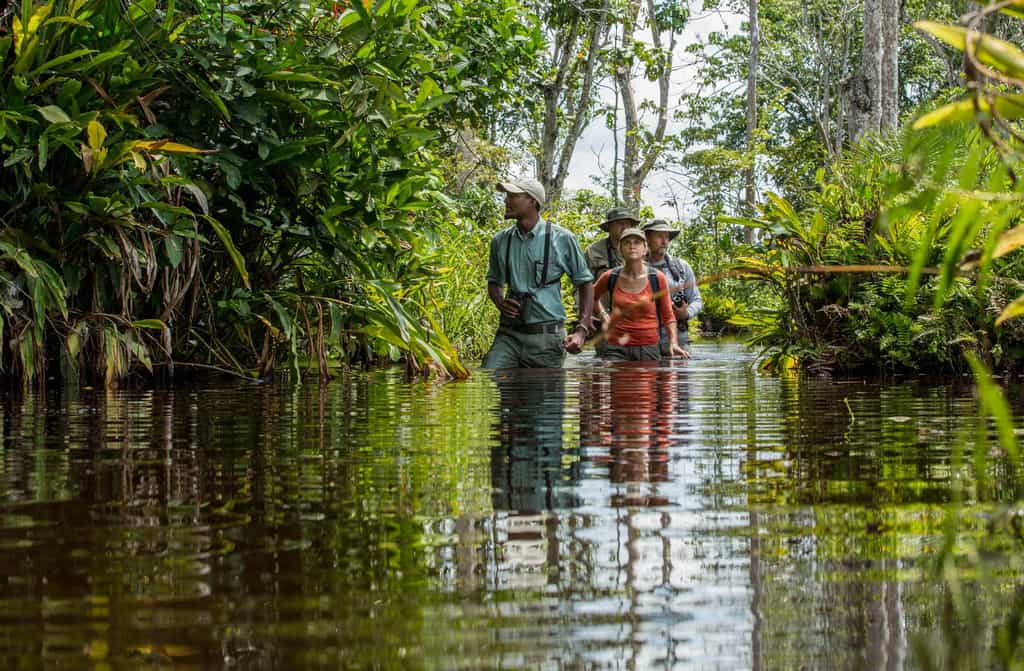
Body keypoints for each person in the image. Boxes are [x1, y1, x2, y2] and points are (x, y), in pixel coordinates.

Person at [482, 178, 595, 369]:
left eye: (513, 196)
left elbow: (584, 282)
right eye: (506, 196)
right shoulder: (500, 241)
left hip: (547, 337)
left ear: (532, 201)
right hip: (509, 334)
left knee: (545, 394)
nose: (506, 201)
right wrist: (500, 302)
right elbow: (494, 281)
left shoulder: (562, 238)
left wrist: (581, 330)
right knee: (490, 374)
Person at [592, 227, 686, 361]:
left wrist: (673, 343)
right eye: (627, 243)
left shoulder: (656, 278)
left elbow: (668, 316)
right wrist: (603, 315)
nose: (632, 246)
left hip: (648, 347)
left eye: (637, 242)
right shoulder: (610, 276)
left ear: (645, 250)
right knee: (618, 381)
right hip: (616, 348)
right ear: (621, 250)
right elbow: (591, 297)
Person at [643, 219, 702, 355]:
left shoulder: (681, 267)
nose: (664, 241)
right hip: (646, 342)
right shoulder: (635, 268)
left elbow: (697, 299)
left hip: (679, 340)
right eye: (659, 236)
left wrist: (686, 313)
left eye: (667, 237)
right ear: (647, 238)